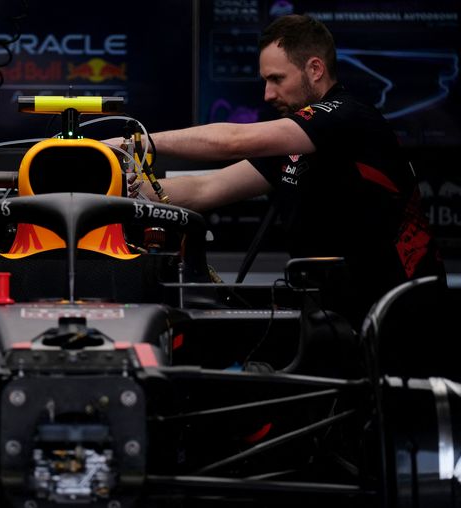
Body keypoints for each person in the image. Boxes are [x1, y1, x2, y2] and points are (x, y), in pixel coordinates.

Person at [116, 14, 445, 326]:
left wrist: (129, 141)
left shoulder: (347, 117)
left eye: (277, 79)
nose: (268, 93)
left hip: (401, 315)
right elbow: (206, 189)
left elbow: (231, 141)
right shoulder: (297, 140)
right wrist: (126, 189)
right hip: (336, 316)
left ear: (315, 68)